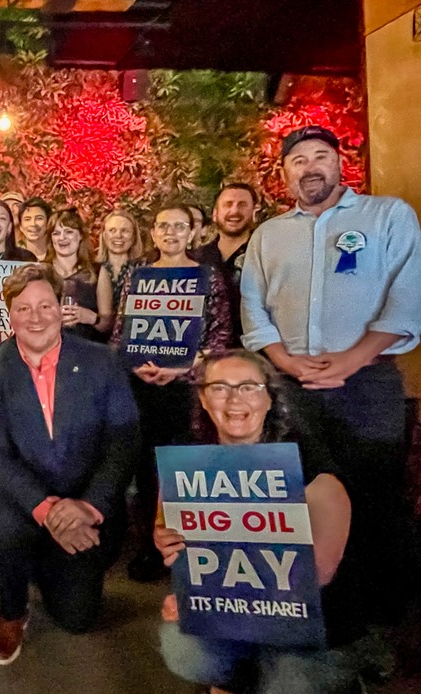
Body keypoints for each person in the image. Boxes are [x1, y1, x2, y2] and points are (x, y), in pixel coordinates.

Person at [240, 124, 421, 620]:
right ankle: (306, 612)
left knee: (374, 498)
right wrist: (284, 361)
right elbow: (253, 309)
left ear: (340, 164)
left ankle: (379, 622)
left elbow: (409, 298)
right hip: (290, 384)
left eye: (321, 156)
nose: (310, 167)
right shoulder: (268, 234)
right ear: (284, 174)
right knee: (298, 500)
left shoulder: (386, 217)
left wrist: (353, 358)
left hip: (367, 382)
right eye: (298, 160)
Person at [156, 350, 360, 693]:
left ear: (270, 397)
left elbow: (319, 573)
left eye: (248, 386)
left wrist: (223, 599)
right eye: (220, 388)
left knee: (290, 683)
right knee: (184, 651)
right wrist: (184, 583)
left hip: (306, 616)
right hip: (229, 605)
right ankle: (231, 681)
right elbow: (166, 534)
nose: (235, 399)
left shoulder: (312, 469)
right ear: (204, 398)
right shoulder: (186, 462)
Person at [0, 263, 139, 664]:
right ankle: (12, 609)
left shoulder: (102, 361)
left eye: (45, 306)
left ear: (60, 307)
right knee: (3, 529)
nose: (36, 317)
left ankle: (50, 563)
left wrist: (88, 506)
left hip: (84, 500)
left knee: (77, 619)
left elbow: (124, 439)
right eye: (24, 308)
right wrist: (49, 512)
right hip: (20, 500)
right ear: (8, 314)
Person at [111, 202, 232, 583]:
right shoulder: (138, 276)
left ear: (192, 233)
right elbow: (120, 332)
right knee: (147, 471)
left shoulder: (208, 278)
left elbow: (221, 336)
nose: (170, 233)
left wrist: (182, 367)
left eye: (179, 227)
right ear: (153, 233)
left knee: (183, 471)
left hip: (187, 390)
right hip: (142, 387)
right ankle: (149, 546)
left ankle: (187, 552)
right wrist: (135, 365)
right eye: (163, 226)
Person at [195, 182, 258, 342]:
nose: (234, 211)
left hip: (254, 352)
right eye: (228, 205)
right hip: (206, 353)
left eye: (242, 205)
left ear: (253, 212)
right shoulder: (196, 259)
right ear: (215, 213)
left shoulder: (267, 256)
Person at [45, 208, 102, 342]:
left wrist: (92, 318)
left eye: (69, 232)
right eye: (56, 233)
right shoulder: (41, 270)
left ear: (81, 235)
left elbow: (108, 326)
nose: (62, 238)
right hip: (48, 350)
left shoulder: (97, 271)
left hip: (86, 349)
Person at [95, 208, 148, 327]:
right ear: (103, 235)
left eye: (125, 231)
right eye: (112, 230)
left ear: (134, 236)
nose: (118, 236)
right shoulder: (92, 270)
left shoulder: (144, 270)